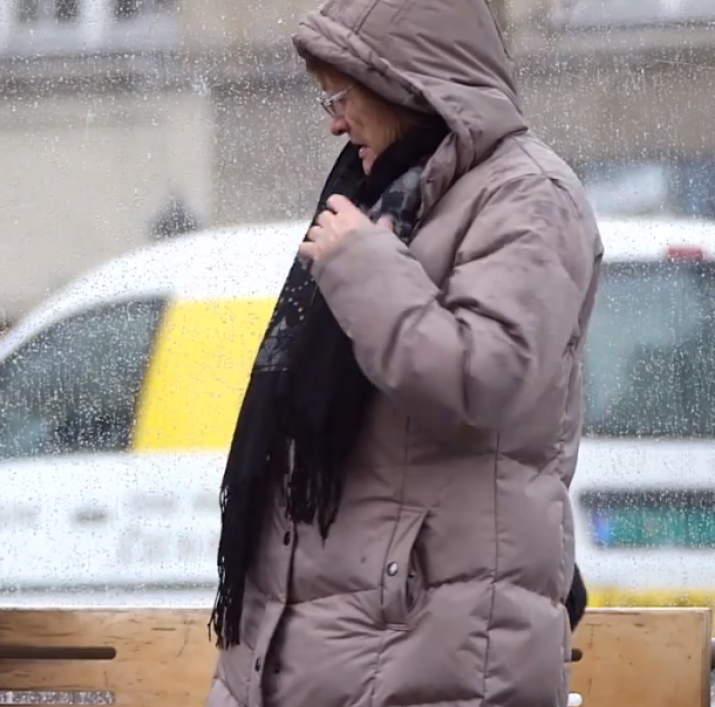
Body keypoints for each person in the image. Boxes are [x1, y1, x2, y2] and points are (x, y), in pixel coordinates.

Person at [206, 1, 603, 706]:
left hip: (430, 653)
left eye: (341, 95)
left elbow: (485, 381)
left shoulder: (528, 196)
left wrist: (364, 269)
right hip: (318, 656)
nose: (333, 122)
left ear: (403, 83)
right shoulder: (388, 194)